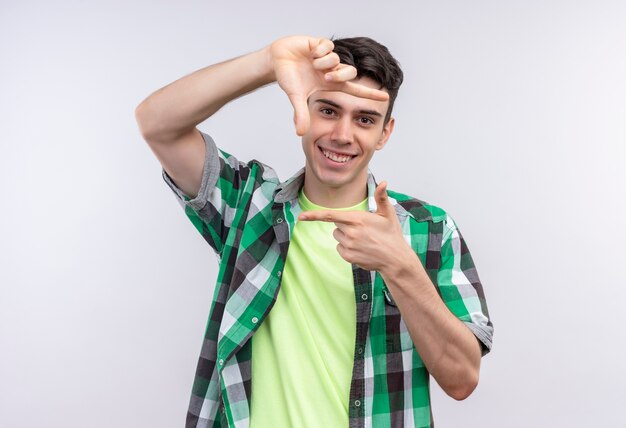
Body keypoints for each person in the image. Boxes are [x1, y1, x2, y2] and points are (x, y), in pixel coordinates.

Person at [135, 35, 493, 428]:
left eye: (364, 119)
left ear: (385, 133)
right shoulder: (248, 207)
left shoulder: (431, 230)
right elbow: (158, 124)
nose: (342, 134)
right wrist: (268, 63)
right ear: (302, 108)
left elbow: (461, 380)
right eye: (328, 109)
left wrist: (401, 267)